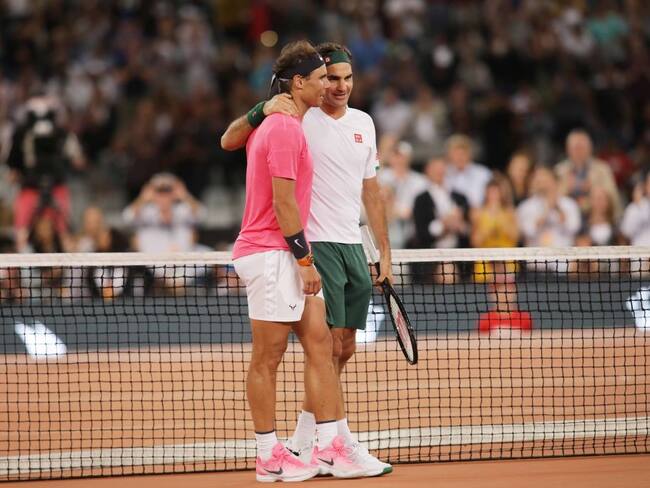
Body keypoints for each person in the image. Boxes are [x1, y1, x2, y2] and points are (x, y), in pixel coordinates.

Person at [221, 42, 393, 477]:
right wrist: (304, 260)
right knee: (270, 355)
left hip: (301, 250)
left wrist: (382, 250)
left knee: (324, 345)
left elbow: (370, 190)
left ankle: (329, 443)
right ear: (301, 83)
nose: (333, 87)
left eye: (342, 78)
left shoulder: (333, 122)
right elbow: (282, 202)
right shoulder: (285, 124)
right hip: (282, 250)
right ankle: (272, 453)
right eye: (323, 78)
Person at [5, 95, 86, 253]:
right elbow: (12, 169)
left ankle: (71, 272)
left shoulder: (63, 134)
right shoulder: (20, 135)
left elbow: (79, 162)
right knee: (21, 234)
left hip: (57, 189)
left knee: (64, 233)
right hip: (29, 189)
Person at [411, 157, 469, 284]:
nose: (439, 172)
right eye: (435, 169)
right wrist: (444, 225)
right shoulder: (421, 200)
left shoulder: (460, 197)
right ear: (428, 171)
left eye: (441, 169)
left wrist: (459, 225)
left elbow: (468, 229)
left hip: (459, 256)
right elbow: (422, 233)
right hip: (432, 257)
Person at [555, 129, 622, 219]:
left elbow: (612, 197)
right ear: (568, 150)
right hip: (567, 217)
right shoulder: (559, 170)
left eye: (582, 148)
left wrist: (592, 191)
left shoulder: (602, 169)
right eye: (575, 148)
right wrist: (566, 188)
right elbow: (553, 199)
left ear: (590, 149)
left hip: (595, 216)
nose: (579, 152)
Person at [444, 134, 492, 209]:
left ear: (469, 154)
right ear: (449, 155)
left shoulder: (483, 174)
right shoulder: (443, 174)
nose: (459, 157)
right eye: (456, 154)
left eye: (462, 154)